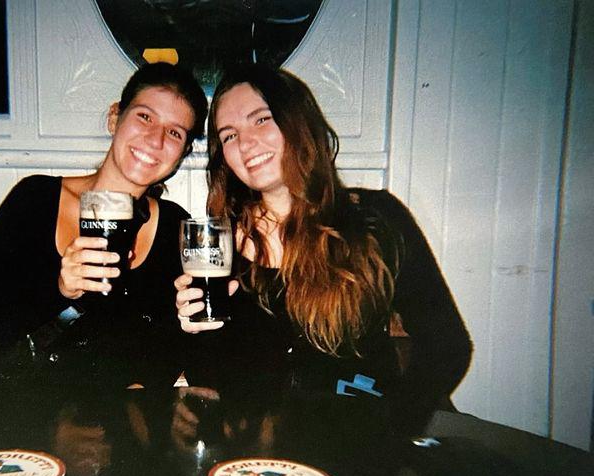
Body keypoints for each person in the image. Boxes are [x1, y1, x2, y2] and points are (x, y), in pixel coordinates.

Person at [174, 64, 472, 420]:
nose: (246, 143)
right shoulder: (217, 246)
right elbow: (212, 383)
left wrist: (397, 423)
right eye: (229, 136)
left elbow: (448, 345)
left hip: (353, 440)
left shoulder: (374, 220)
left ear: (298, 122)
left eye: (261, 119)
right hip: (255, 447)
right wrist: (193, 334)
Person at [0, 62, 208, 396]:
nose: (155, 139)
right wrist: (59, 291)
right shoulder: (35, 200)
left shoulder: (175, 227)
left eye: (174, 132)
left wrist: (198, 327)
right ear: (114, 118)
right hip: (23, 407)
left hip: (115, 420)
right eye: (145, 117)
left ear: (183, 152)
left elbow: (173, 355)